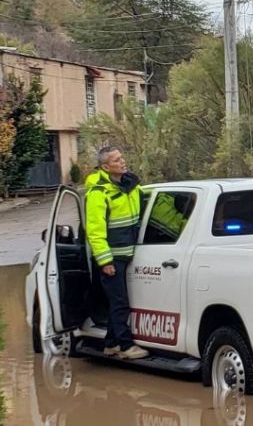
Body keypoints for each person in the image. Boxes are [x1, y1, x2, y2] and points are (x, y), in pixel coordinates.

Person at [85, 146, 149, 360]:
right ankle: (125, 345)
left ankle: (111, 344)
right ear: (105, 166)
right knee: (120, 302)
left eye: (122, 157)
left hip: (129, 253)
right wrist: (105, 261)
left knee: (117, 301)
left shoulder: (131, 185)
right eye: (117, 160)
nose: (122, 161)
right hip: (112, 258)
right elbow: (94, 231)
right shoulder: (99, 192)